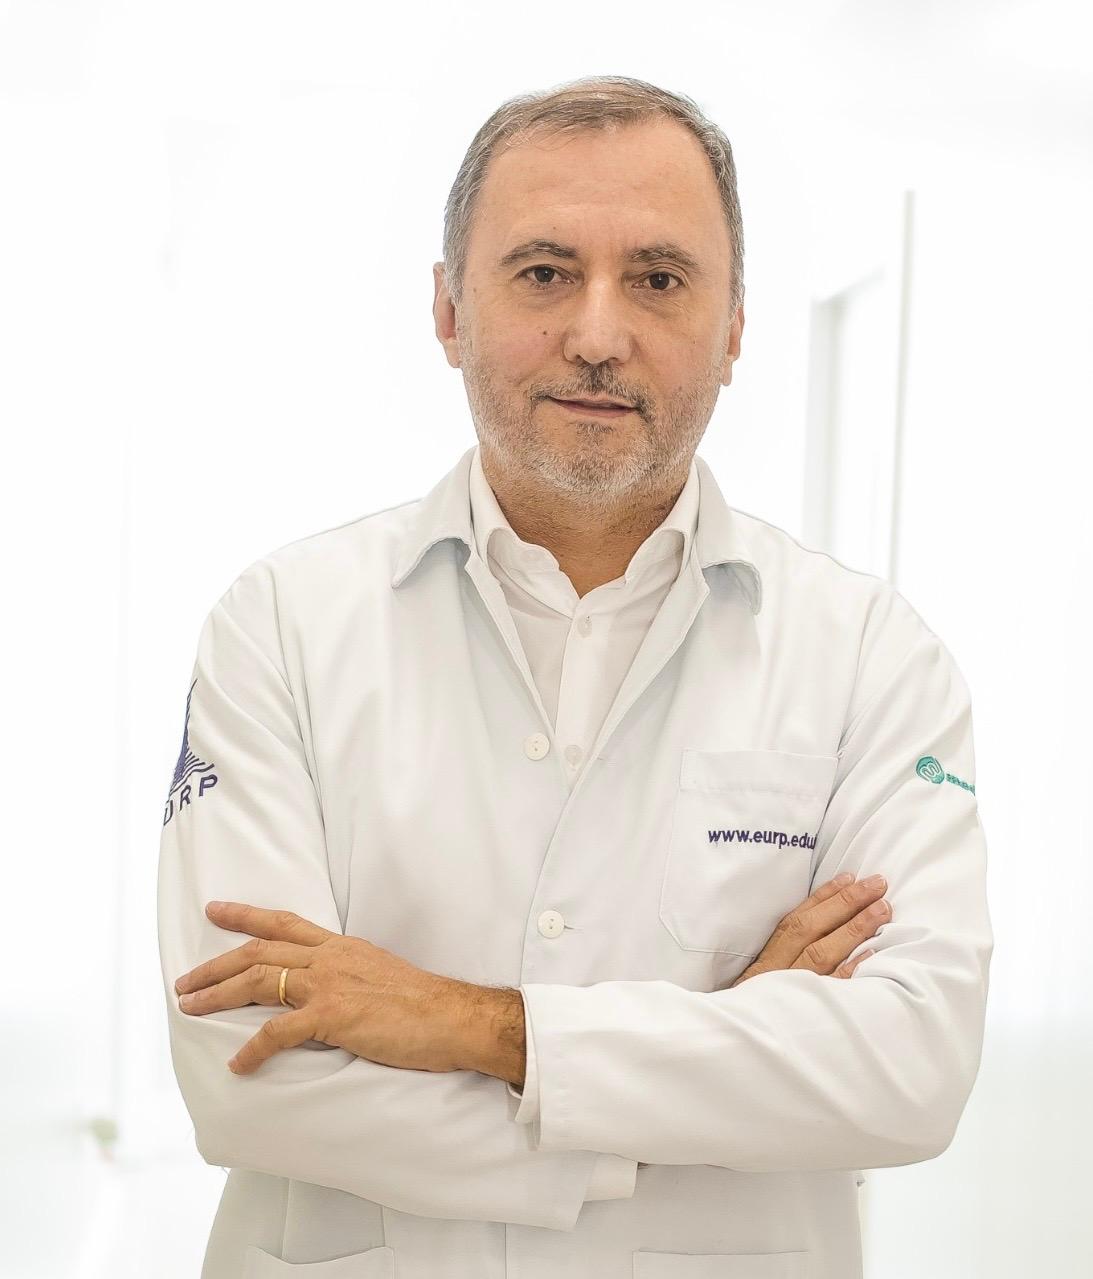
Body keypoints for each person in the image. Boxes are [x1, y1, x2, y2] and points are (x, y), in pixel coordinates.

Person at [158, 75, 993, 1279]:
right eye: (544, 272)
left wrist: (474, 1025)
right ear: (448, 310)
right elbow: (247, 1077)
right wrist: (723, 1063)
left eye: (657, 279)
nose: (599, 334)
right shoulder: (281, 627)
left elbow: (907, 1068)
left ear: (734, 326)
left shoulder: (871, 656)